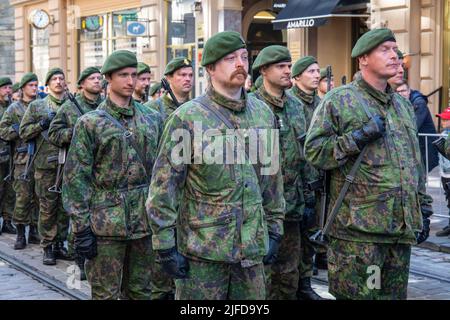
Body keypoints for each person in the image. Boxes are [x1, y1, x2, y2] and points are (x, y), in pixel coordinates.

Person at [147, 31, 285, 300]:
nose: (240, 64)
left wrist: (275, 229)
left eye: (244, 57)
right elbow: (165, 187)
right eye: (230, 58)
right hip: (204, 252)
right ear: (210, 67)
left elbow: (271, 179)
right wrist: (164, 245)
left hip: (251, 250)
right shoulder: (187, 118)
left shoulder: (262, 114)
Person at [304, 28, 433, 300]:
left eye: (395, 50)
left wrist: (423, 208)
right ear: (363, 59)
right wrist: (357, 137)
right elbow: (315, 152)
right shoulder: (339, 100)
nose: (395, 56)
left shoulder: (402, 105)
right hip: (359, 234)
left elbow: (413, 162)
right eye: (385, 50)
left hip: (399, 229)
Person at [62, 50, 163, 300]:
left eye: (134, 75)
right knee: (106, 294)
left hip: (144, 223)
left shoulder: (152, 118)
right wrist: (81, 228)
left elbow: (163, 172)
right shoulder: (90, 123)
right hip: (104, 224)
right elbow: (76, 178)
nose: (130, 81)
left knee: (142, 292)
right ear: (108, 78)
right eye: (123, 75)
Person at [250, 45, 315, 300]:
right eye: (281, 66)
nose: (288, 71)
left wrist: (309, 193)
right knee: (261, 274)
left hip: (292, 205)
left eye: (289, 66)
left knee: (288, 273)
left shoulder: (296, 106)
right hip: (261, 209)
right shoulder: (250, 106)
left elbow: (305, 150)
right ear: (264, 70)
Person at [48, 66, 103, 280]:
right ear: (82, 83)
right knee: (78, 215)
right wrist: (76, 133)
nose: (97, 81)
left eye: (99, 78)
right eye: (92, 78)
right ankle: (79, 259)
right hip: (77, 167)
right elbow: (54, 133)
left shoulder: (105, 106)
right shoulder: (70, 107)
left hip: (102, 167)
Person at [19, 68, 72, 265]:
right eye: (54, 79)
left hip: (69, 164)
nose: (58, 82)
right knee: (48, 207)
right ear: (48, 84)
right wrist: (42, 124)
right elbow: (24, 133)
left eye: (61, 78)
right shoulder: (37, 106)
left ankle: (60, 244)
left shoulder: (71, 105)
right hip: (45, 165)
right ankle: (48, 246)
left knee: (65, 207)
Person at [0, 73, 40, 248]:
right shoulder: (14, 109)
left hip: (41, 159)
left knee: (39, 199)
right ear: (23, 88)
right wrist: (18, 132)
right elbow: (3, 131)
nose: (34, 88)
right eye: (30, 85)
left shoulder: (42, 106)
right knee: (22, 198)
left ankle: (34, 231)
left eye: (36, 85)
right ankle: (20, 233)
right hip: (22, 160)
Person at [396, 81, 439, 172]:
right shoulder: (403, 103)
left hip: (426, 144)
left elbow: (414, 125)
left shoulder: (418, 103)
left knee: (423, 172)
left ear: (409, 91)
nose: (400, 94)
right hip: (417, 143)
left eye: (403, 91)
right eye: (398, 92)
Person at [0, 76, 16, 235]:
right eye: (5, 88)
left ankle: (7, 221)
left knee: (10, 191)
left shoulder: (12, 107)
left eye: (10, 88)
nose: (8, 91)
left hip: (11, 156)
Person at [433, 107, 450, 237]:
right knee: (448, 200)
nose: (443, 122)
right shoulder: (444, 133)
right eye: (442, 119)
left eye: (446, 119)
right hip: (445, 173)